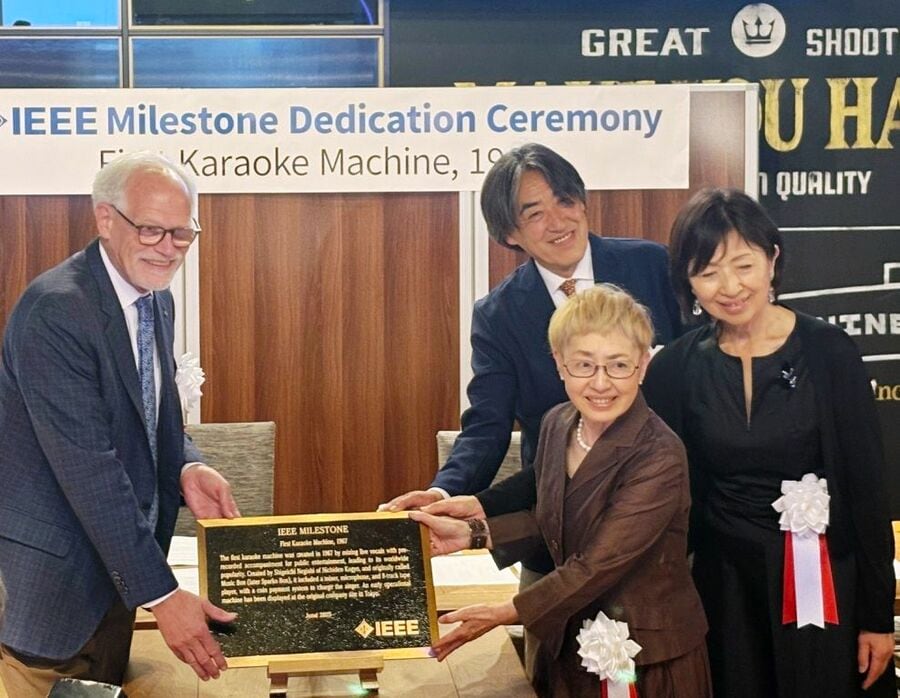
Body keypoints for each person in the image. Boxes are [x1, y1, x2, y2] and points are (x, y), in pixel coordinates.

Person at [0, 152, 241, 696]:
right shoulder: (56, 310)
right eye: (152, 229)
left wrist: (187, 465)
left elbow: (150, 414)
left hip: (117, 580)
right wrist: (163, 595)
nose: (168, 248)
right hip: (57, 588)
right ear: (105, 219)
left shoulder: (154, 299)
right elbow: (90, 469)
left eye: (183, 234)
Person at [643, 188, 896, 697]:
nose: (730, 287)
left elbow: (868, 490)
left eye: (744, 265)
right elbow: (651, 486)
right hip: (723, 589)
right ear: (688, 281)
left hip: (824, 584)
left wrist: (876, 617)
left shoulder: (829, 351)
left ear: (772, 259)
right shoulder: (674, 368)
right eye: (708, 272)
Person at [411, 284, 710, 698]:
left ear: (643, 365)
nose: (601, 383)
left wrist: (506, 612)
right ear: (559, 364)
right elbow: (555, 517)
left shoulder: (660, 453)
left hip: (646, 659)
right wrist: (473, 534)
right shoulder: (558, 422)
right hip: (569, 641)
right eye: (584, 365)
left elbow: (598, 563)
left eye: (618, 365)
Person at [381, 143, 682, 510]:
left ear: (582, 203)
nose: (558, 222)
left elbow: (696, 370)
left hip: (666, 496)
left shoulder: (653, 265)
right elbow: (487, 425)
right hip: (557, 509)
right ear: (509, 233)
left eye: (565, 201)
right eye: (535, 213)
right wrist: (443, 491)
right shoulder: (499, 315)